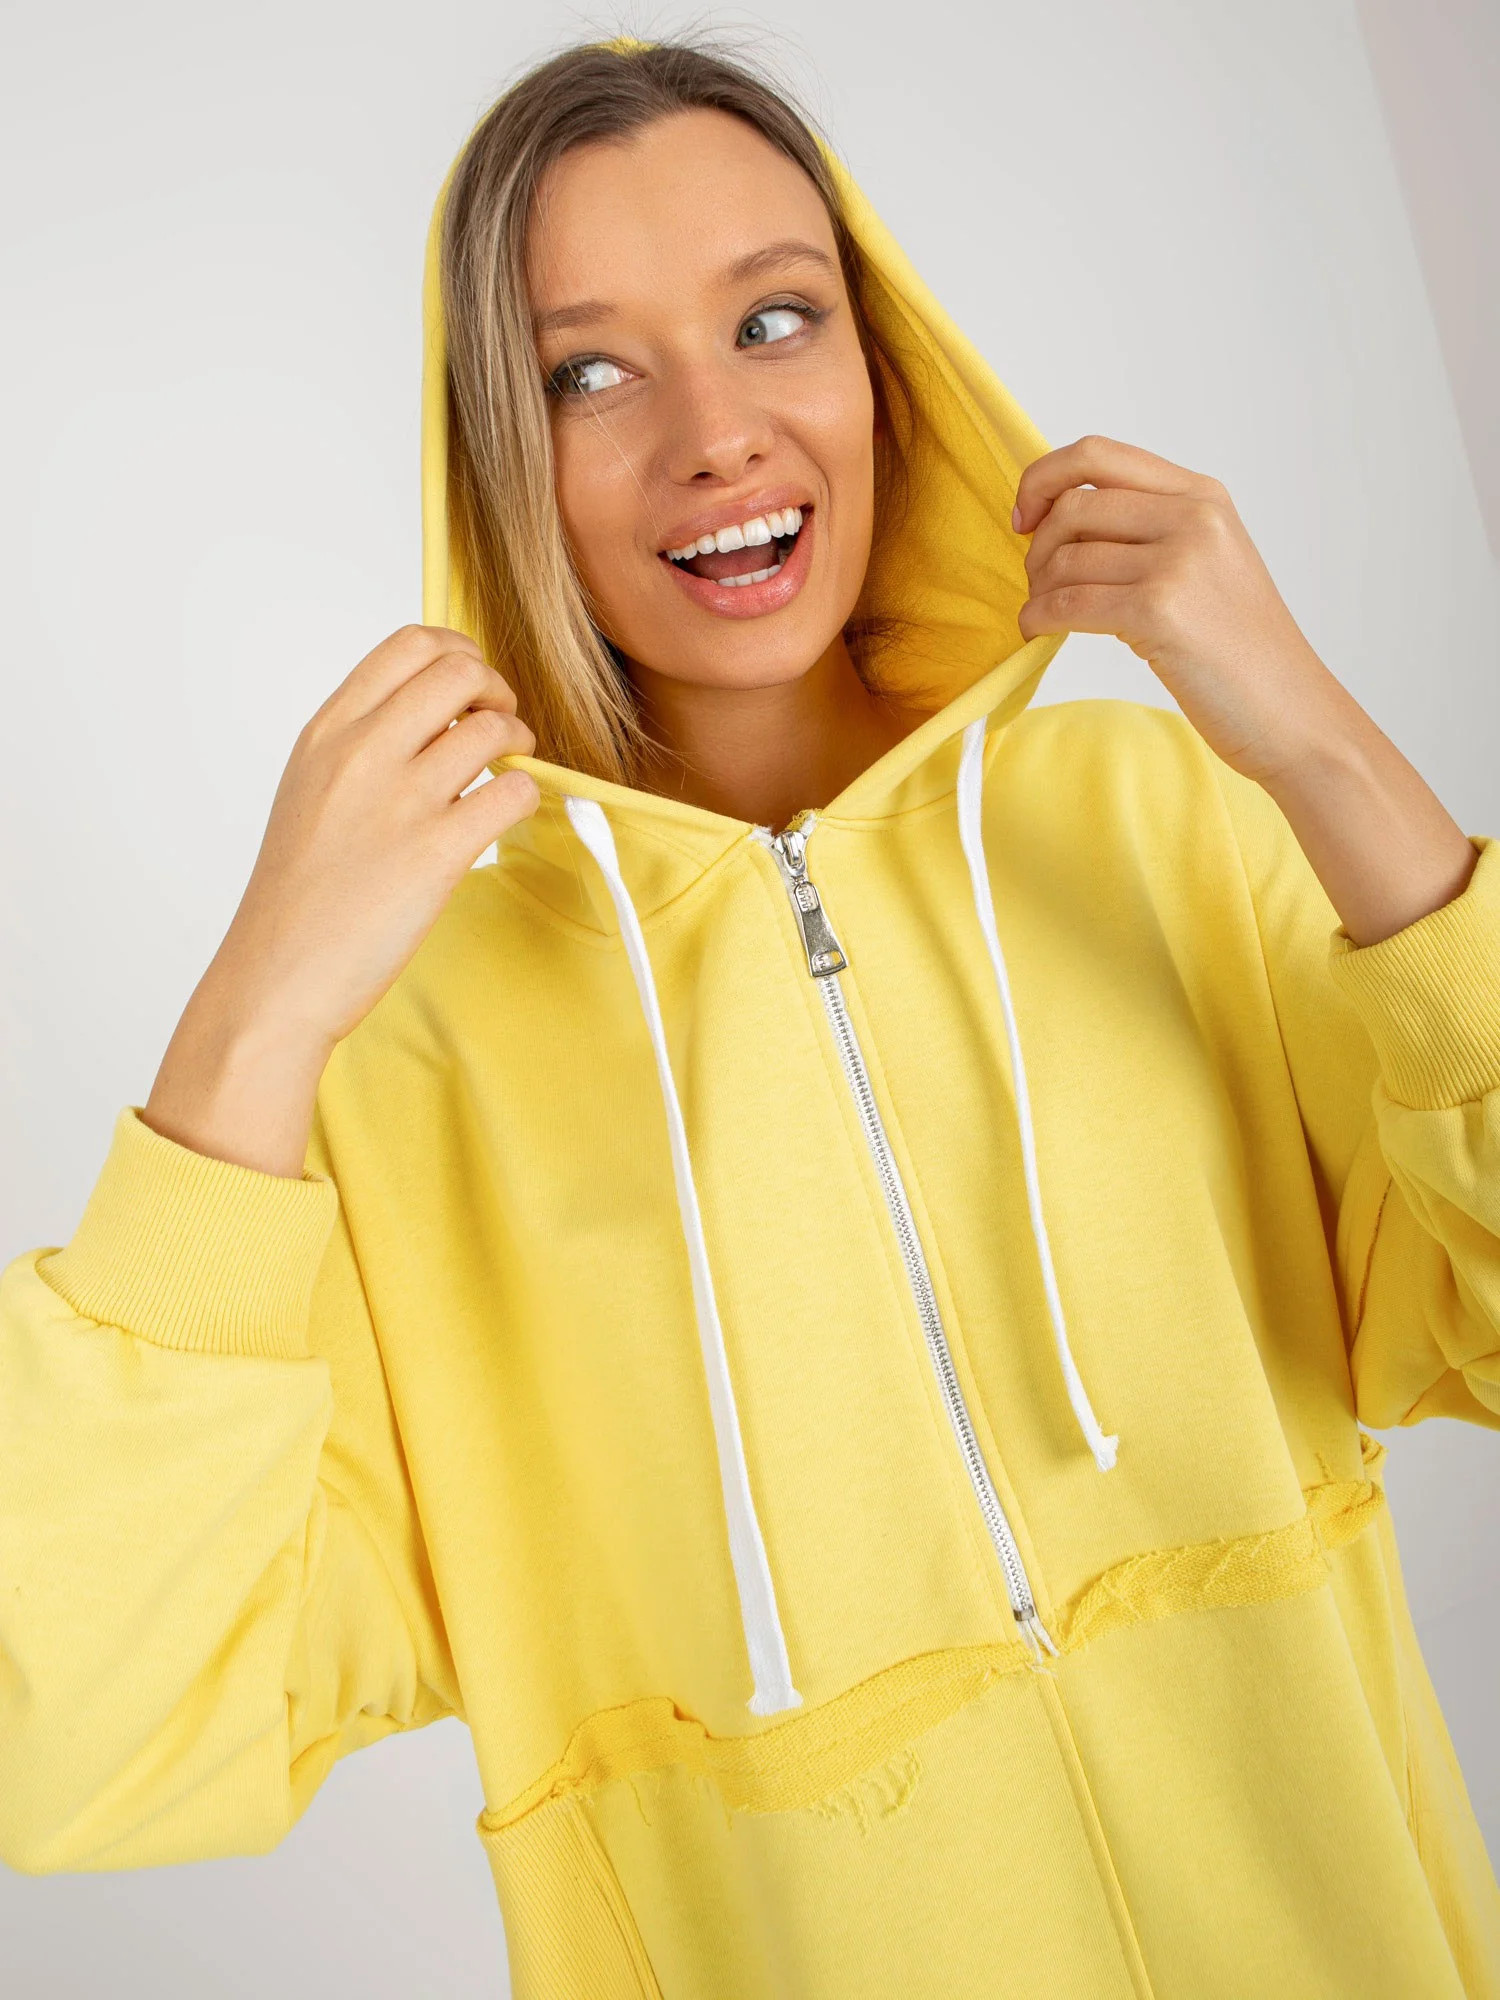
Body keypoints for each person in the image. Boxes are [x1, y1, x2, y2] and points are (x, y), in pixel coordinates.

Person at [2, 32, 1497, 1997]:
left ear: (883, 366)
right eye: (589, 372)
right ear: (499, 457)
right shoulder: (403, 1069)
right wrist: (251, 1022)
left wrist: (1324, 748)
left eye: (774, 320)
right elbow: (84, 1746)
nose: (716, 436)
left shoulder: (1163, 826)